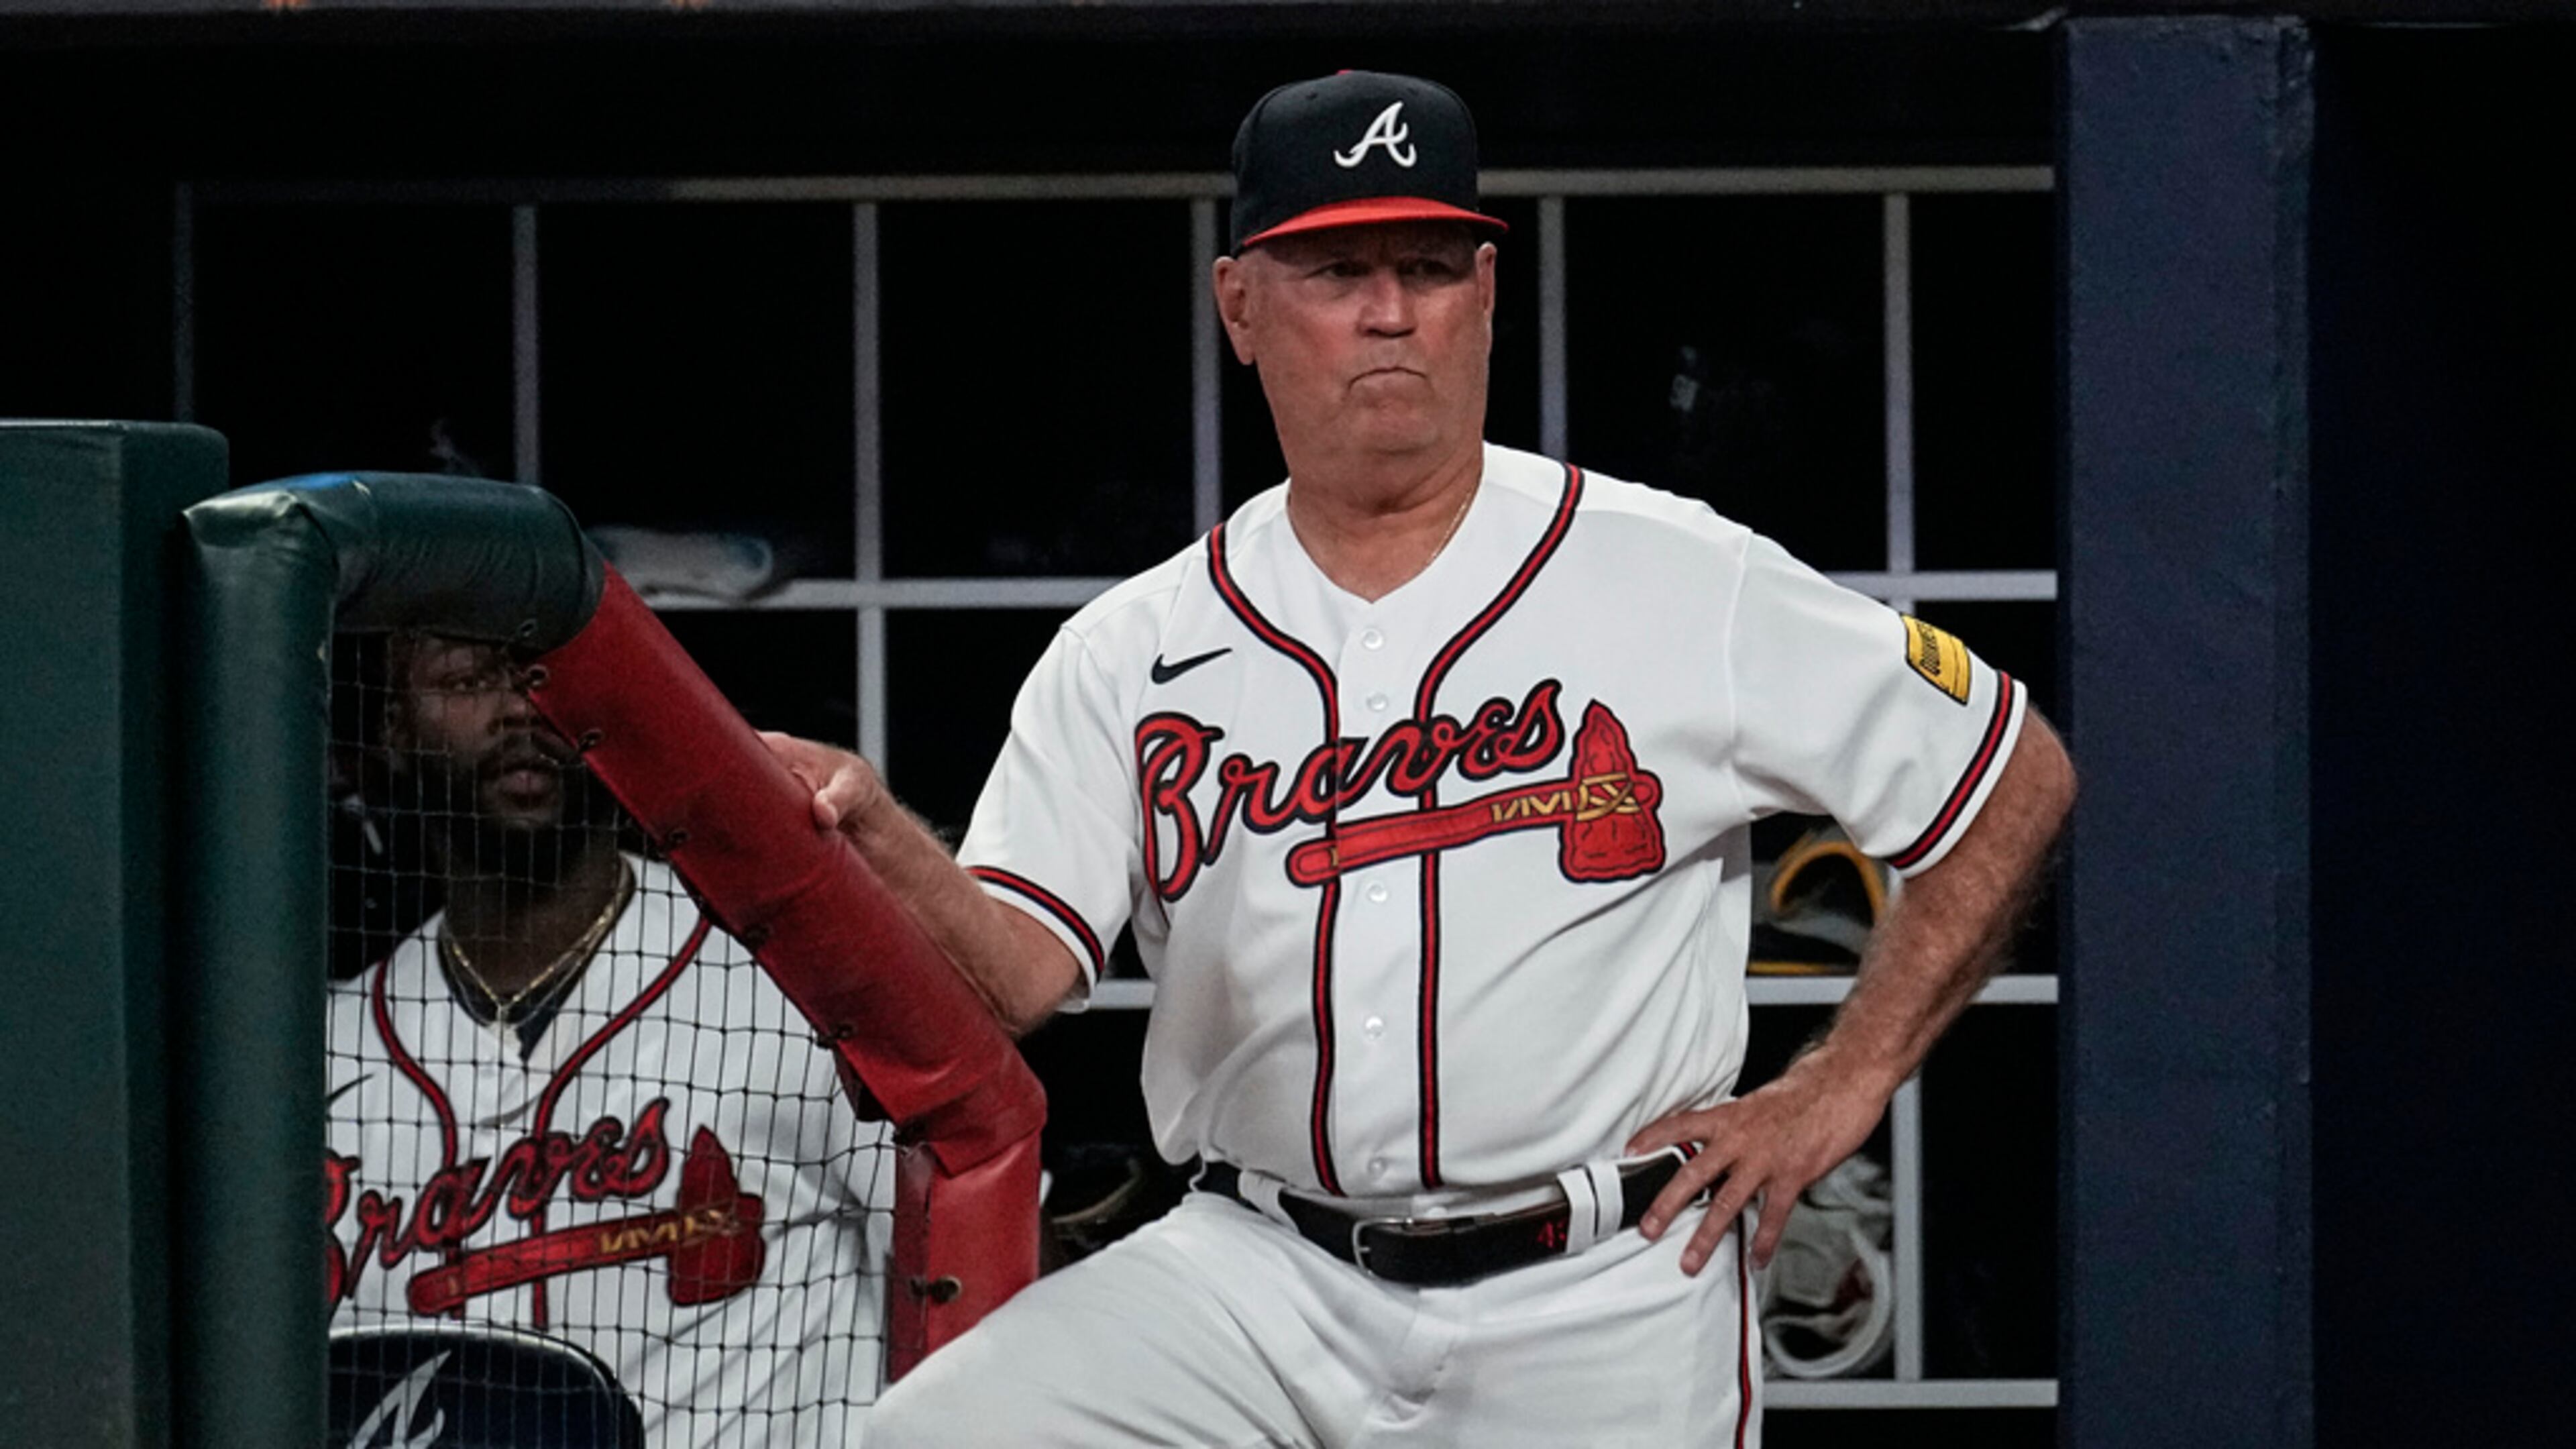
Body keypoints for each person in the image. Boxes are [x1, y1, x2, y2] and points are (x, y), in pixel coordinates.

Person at [766, 69, 2076, 1448]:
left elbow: (2008, 773)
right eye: (1338, 270)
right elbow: (1020, 972)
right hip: (1256, 1276)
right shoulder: (1135, 644)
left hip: (1599, 1287)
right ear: (1241, 306)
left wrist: (1835, 1090)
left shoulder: (1677, 573)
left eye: (1431, 266)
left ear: (1488, 295)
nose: (1391, 310)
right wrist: (870, 833)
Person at [325, 632, 896, 1449]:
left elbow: (990, 1287)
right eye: (469, 677)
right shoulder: (328, 1057)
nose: (523, 706)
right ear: (394, 727)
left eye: (551, 674)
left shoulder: (796, 989)